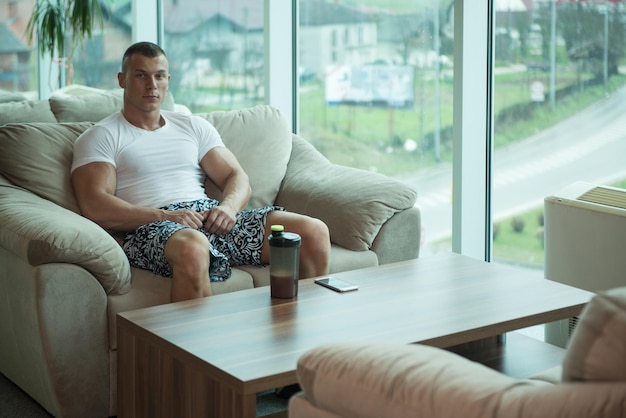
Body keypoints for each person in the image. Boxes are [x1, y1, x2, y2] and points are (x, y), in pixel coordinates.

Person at [71, 41, 330, 302]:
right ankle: (197, 343)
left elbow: (236, 177)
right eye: (141, 75)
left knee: (312, 231)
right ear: (122, 80)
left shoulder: (192, 126)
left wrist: (227, 208)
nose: (152, 85)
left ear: (168, 79)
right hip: (151, 228)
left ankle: (310, 334)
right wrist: (166, 216)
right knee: (194, 247)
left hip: (206, 217)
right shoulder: (101, 136)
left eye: (159, 75)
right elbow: (95, 205)